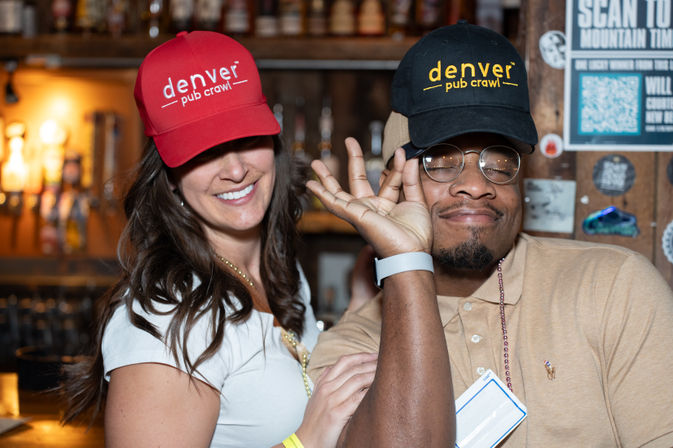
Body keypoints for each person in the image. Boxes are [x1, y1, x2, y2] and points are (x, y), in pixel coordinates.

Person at [307, 22, 673, 447]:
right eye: (441, 161)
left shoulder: (612, 288)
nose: (478, 185)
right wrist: (406, 259)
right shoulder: (353, 349)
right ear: (389, 180)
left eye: (499, 161)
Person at [59, 31, 377, 448]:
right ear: (170, 179)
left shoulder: (278, 269)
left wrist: (362, 297)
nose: (235, 169)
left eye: (245, 138)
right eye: (203, 151)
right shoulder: (168, 320)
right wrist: (305, 442)